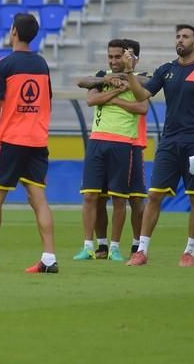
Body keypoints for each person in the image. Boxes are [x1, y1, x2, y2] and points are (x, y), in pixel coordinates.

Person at [0, 13, 58, 273]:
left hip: (12, 140)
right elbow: (46, 101)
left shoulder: (3, 65)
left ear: (14, 31)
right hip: (37, 140)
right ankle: (49, 258)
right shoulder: (42, 64)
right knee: (38, 199)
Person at [125, 24, 194, 267]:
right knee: (155, 194)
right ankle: (142, 251)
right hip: (169, 143)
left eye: (185, 37)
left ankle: (189, 251)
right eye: (178, 36)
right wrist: (129, 73)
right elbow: (141, 95)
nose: (180, 40)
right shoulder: (165, 70)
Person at [73, 39, 148, 262]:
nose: (114, 61)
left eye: (119, 56)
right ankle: (90, 246)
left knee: (120, 198)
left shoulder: (141, 79)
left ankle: (116, 247)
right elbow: (89, 95)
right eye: (111, 57)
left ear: (131, 57)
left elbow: (142, 107)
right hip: (97, 141)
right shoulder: (101, 75)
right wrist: (111, 86)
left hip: (125, 143)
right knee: (91, 196)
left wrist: (120, 88)